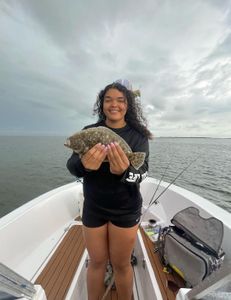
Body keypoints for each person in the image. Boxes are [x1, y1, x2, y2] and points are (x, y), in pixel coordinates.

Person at [66, 79, 152, 300]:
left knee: (121, 265)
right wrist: (84, 165)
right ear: (102, 104)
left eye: (120, 100)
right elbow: (72, 167)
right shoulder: (89, 132)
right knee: (96, 263)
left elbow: (142, 173)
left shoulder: (138, 136)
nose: (114, 104)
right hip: (94, 207)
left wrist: (124, 172)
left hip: (125, 209)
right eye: (108, 100)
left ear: (128, 105)